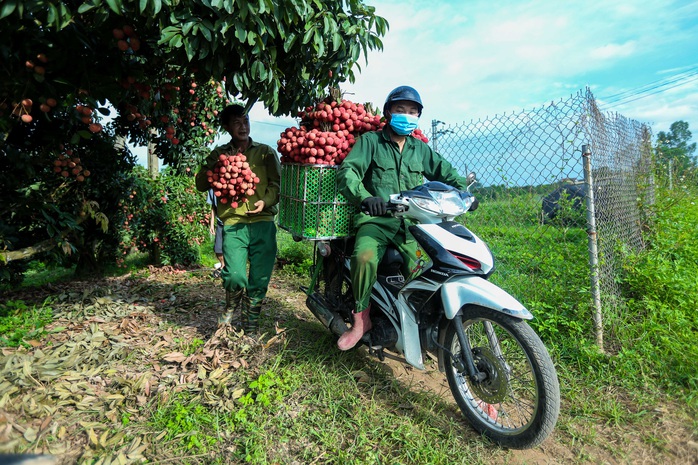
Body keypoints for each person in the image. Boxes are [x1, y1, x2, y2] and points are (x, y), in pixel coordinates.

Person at [336, 86, 470, 350]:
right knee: (364, 257)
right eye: (401, 110)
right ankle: (361, 318)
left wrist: (464, 192)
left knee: (429, 267)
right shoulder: (370, 142)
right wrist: (364, 197)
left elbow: (446, 173)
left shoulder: (419, 150)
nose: (407, 116)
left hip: (412, 224)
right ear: (388, 113)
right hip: (377, 222)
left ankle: (418, 321)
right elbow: (348, 172)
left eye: (412, 112)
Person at [195, 104, 282, 334]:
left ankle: (250, 325)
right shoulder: (219, 154)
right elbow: (201, 184)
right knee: (234, 276)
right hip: (234, 223)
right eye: (236, 123)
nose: (243, 127)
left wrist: (266, 201)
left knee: (259, 278)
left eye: (245, 121)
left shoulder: (265, 152)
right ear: (227, 127)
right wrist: (217, 164)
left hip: (263, 222)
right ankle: (230, 305)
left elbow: (277, 185)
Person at [206, 188, 225, 276]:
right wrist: (212, 223)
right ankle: (223, 266)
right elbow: (213, 207)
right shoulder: (211, 190)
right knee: (218, 249)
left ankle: (225, 268)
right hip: (220, 223)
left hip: (232, 223)